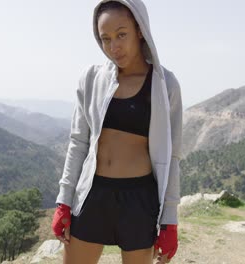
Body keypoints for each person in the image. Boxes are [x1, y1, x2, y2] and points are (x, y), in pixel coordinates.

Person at [51, 0, 183, 263]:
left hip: (139, 201)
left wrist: (170, 221)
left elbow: (173, 156)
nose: (114, 47)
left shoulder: (165, 85)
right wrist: (64, 201)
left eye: (122, 34)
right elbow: (78, 142)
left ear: (140, 29)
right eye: (105, 38)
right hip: (93, 195)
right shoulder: (91, 79)